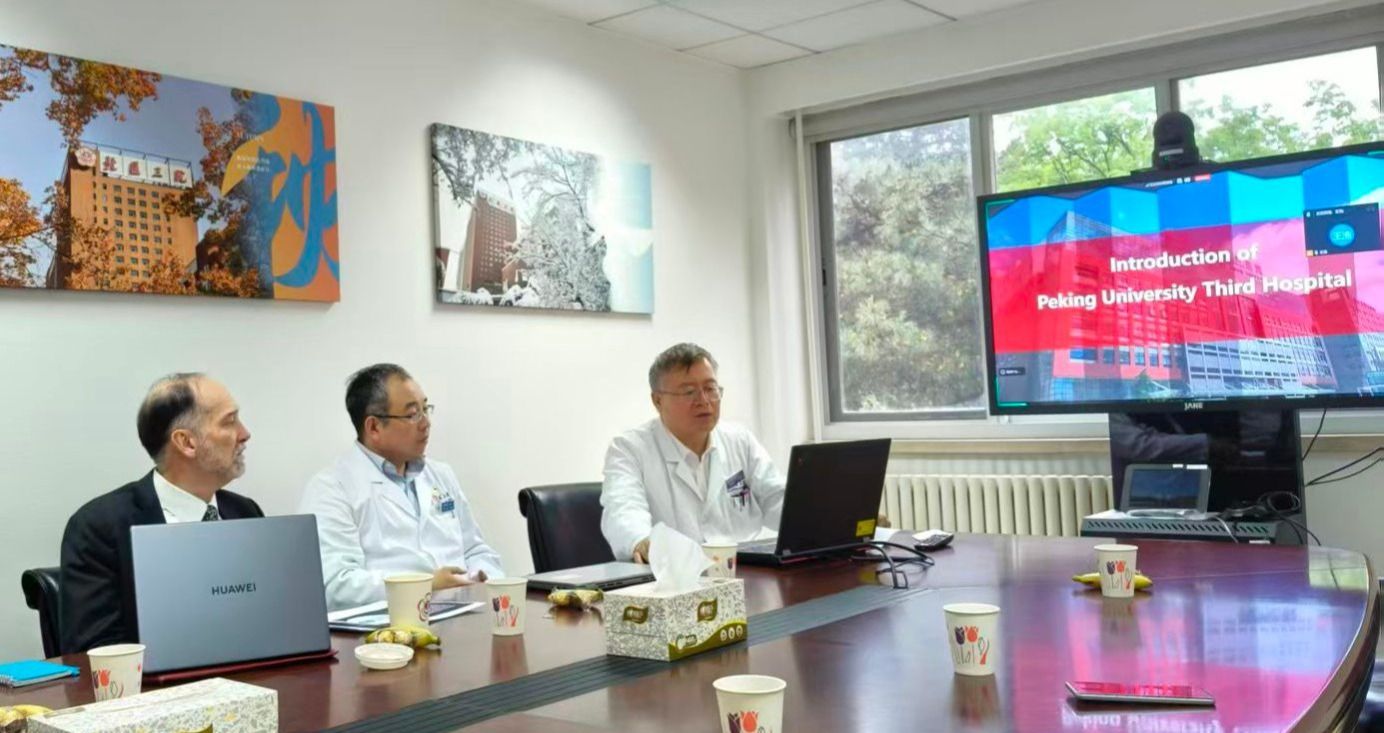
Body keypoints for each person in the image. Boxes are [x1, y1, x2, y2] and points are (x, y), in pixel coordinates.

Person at [60, 373, 260, 653]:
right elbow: (96, 650)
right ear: (186, 442)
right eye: (229, 421)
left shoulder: (245, 512)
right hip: (158, 679)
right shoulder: (100, 527)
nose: (244, 433)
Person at [300, 364, 502, 611]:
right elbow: (336, 585)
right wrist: (425, 585)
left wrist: (485, 579)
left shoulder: (441, 475)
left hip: (466, 613)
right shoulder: (332, 488)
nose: (426, 423)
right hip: (389, 626)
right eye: (413, 414)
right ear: (374, 427)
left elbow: (475, 550)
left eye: (426, 409)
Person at [601, 343, 786, 563]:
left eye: (710, 389)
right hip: (677, 573)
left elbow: (777, 498)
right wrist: (640, 540)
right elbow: (623, 508)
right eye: (689, 392)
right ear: (658, 400)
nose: (704, 401)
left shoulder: (739, 440)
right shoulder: (630, 449)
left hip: (749, 568)